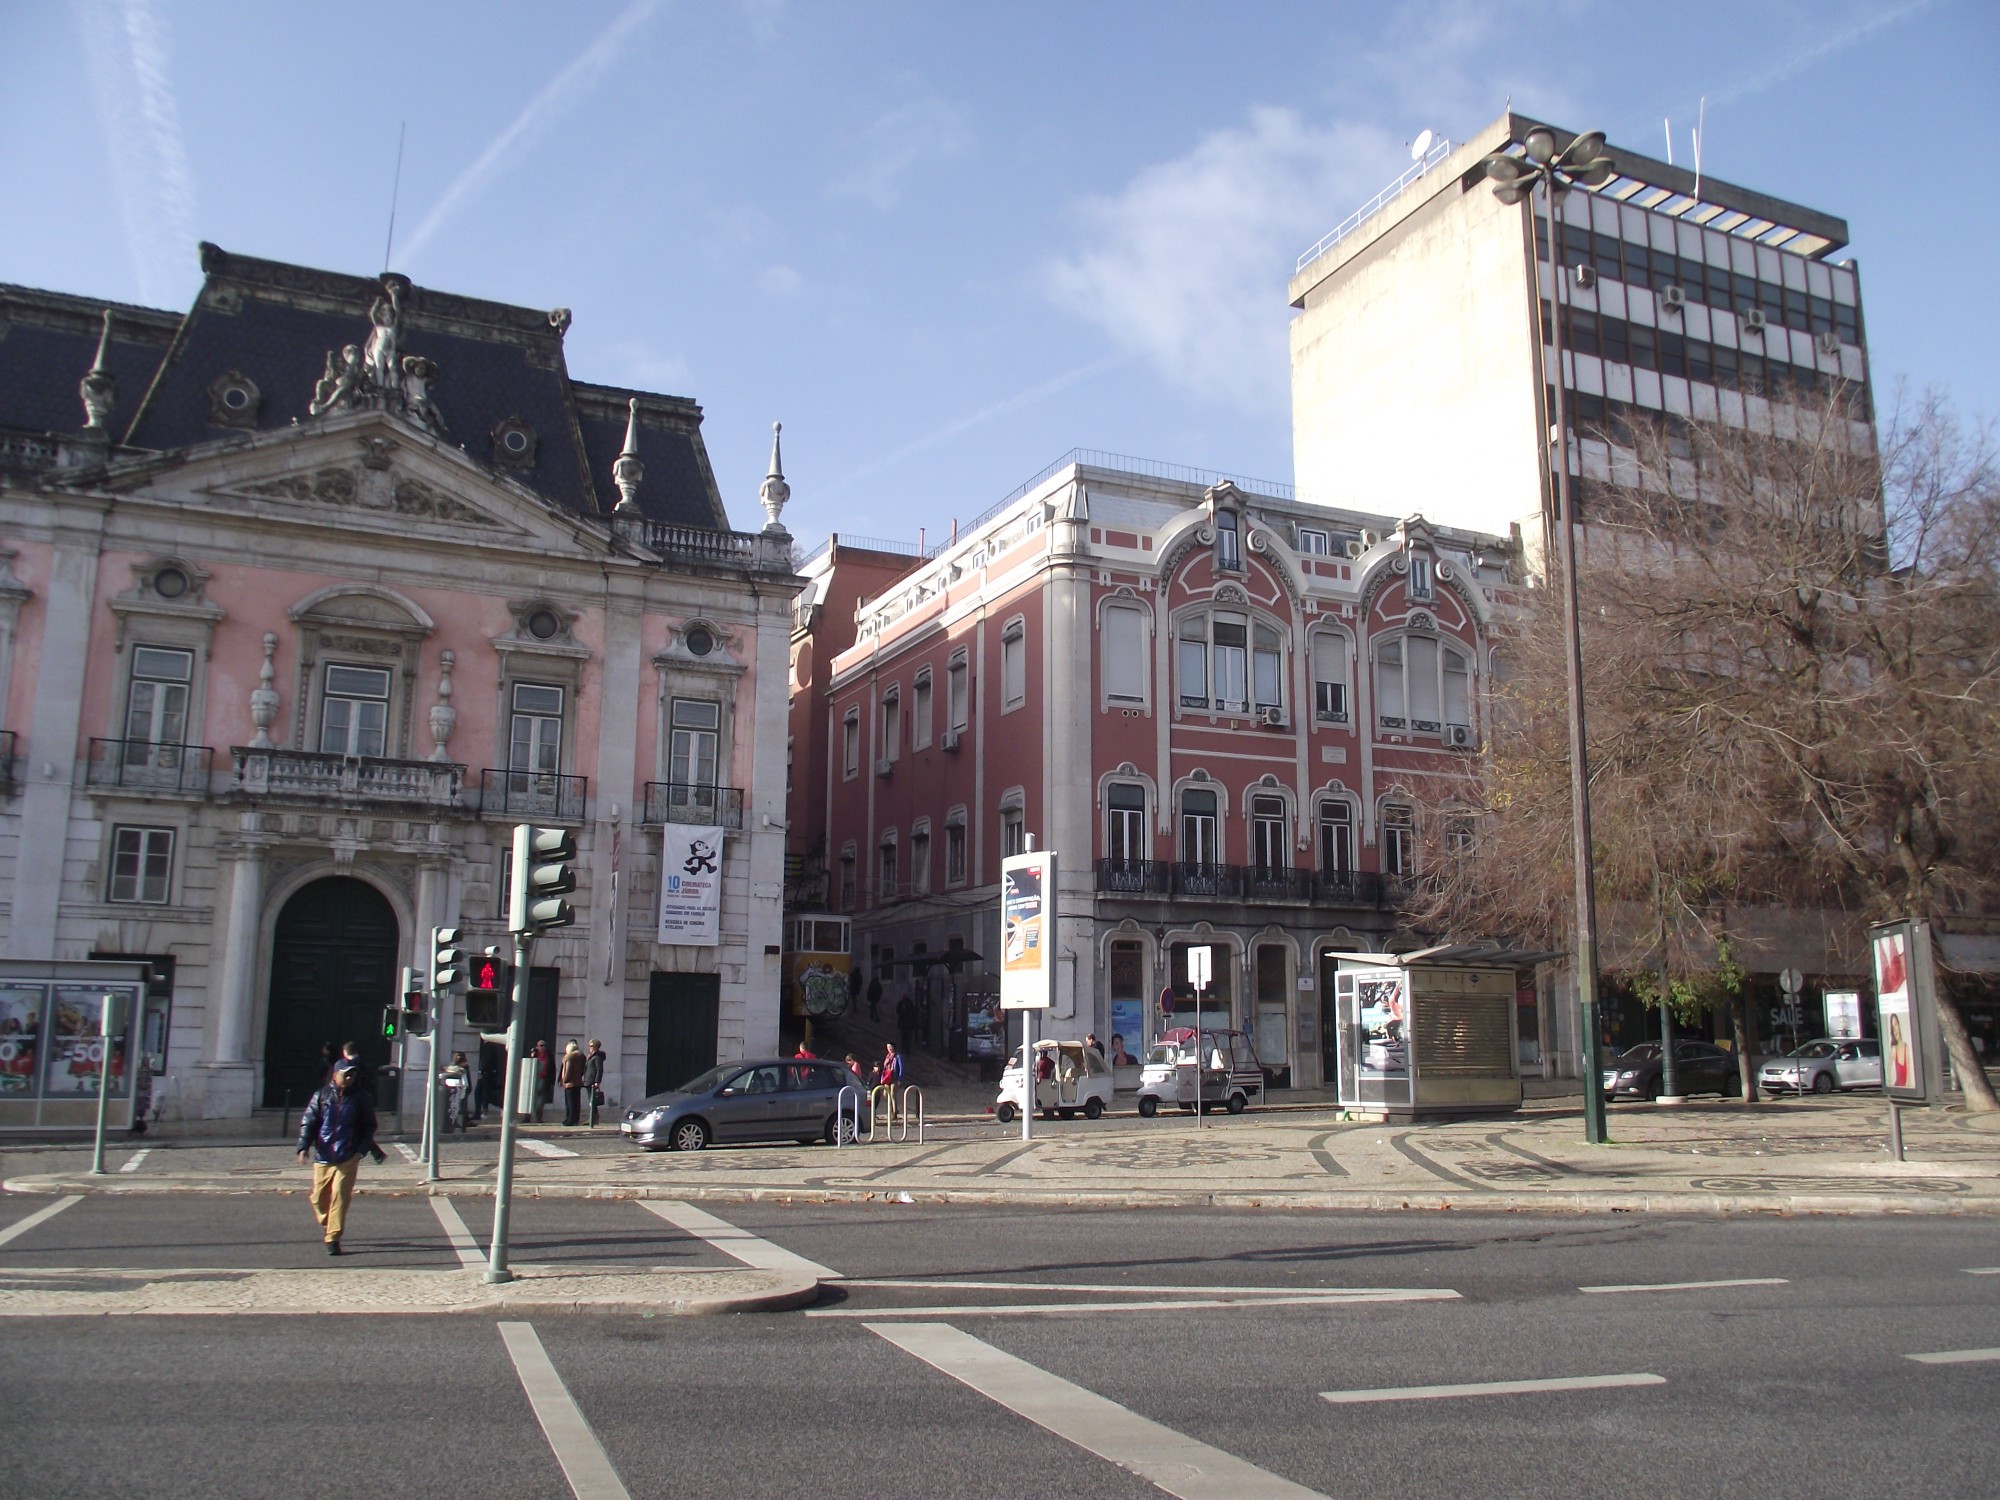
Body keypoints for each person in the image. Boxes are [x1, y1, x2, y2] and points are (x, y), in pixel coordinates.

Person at [295, 1059, 382, 1256]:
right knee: (318, 1198)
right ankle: (328, 1221)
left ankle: (332, 1237)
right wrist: (303, 1146)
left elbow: (369, 1126)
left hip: (348, 1155)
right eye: (346, 1074)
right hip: (324, 1155)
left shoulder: (361, 1098)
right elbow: (309, 1122)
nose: (350, 1077)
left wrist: (361, 1151)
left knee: (340, 1197)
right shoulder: (322, 1095)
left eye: (352, 1074)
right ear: (335, 1075)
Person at [559, 1041, 586, 1127]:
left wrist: (564, 1081)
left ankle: (569, 1119)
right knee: (576, 1102)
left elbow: (568, 1071)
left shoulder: (569, 1058)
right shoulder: (581, 1057)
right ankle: (575, 1119)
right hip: (578, 1082)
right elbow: (582, 1070)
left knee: (570, 1102)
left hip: (570, 1083)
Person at [584, 1038, 606, 1127]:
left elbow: (599, 1069)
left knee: (592, 1101)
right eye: (589, 1046)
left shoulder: (597, 1057)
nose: (590, 1047)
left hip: (592, 1081)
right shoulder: (590, 1056)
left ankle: (593, 1118)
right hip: (588, 1080)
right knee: (591, 1101)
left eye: (592, 1046)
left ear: (596, 1047)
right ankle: (593, 1117)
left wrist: (597, 1081)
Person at [532, 1040, 554, 1123]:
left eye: (544, 1045)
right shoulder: (534, 1054)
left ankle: (538, 1117)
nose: (542, 1047)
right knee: (531, 1099)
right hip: (534, 1079)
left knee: (541, 1101)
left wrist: (552, 1082)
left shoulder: (549, 1055)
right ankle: (527, 1116)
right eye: (540, 1045)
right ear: (537, 1046)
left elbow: (552, 1069)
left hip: (544, 1079)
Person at [895, 987, 918, 1052]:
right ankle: (906, 1048)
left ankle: (905, 1048)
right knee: (906, 1037)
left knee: (904, 1037)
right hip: (907, 1023)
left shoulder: (904, 1003)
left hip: (905, 1023)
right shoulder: (908, 1003)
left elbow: (898, 1011)